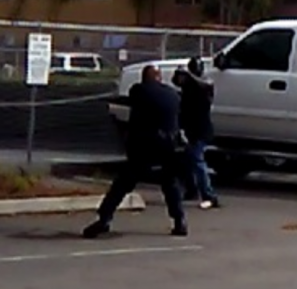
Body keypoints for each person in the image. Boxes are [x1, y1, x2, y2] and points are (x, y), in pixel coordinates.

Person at [82, 65, 187, 238]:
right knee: (170, 184)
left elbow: (134, 106)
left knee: (122, 184)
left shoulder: (139, 90)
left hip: (144, 145)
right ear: (160, 78)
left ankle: (104, 219)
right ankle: (179, 221)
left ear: (144, 78)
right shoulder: (173, 95)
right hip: (168, 145)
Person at [172, 56, 220, 210]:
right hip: (191, 128)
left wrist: (188, 76)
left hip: (199, 130)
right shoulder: (190, 86)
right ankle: (191, 190)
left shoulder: (202, 85)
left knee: (198, 161)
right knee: (187, 160)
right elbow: (176, 81)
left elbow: (202, 86)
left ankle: (209, 195)